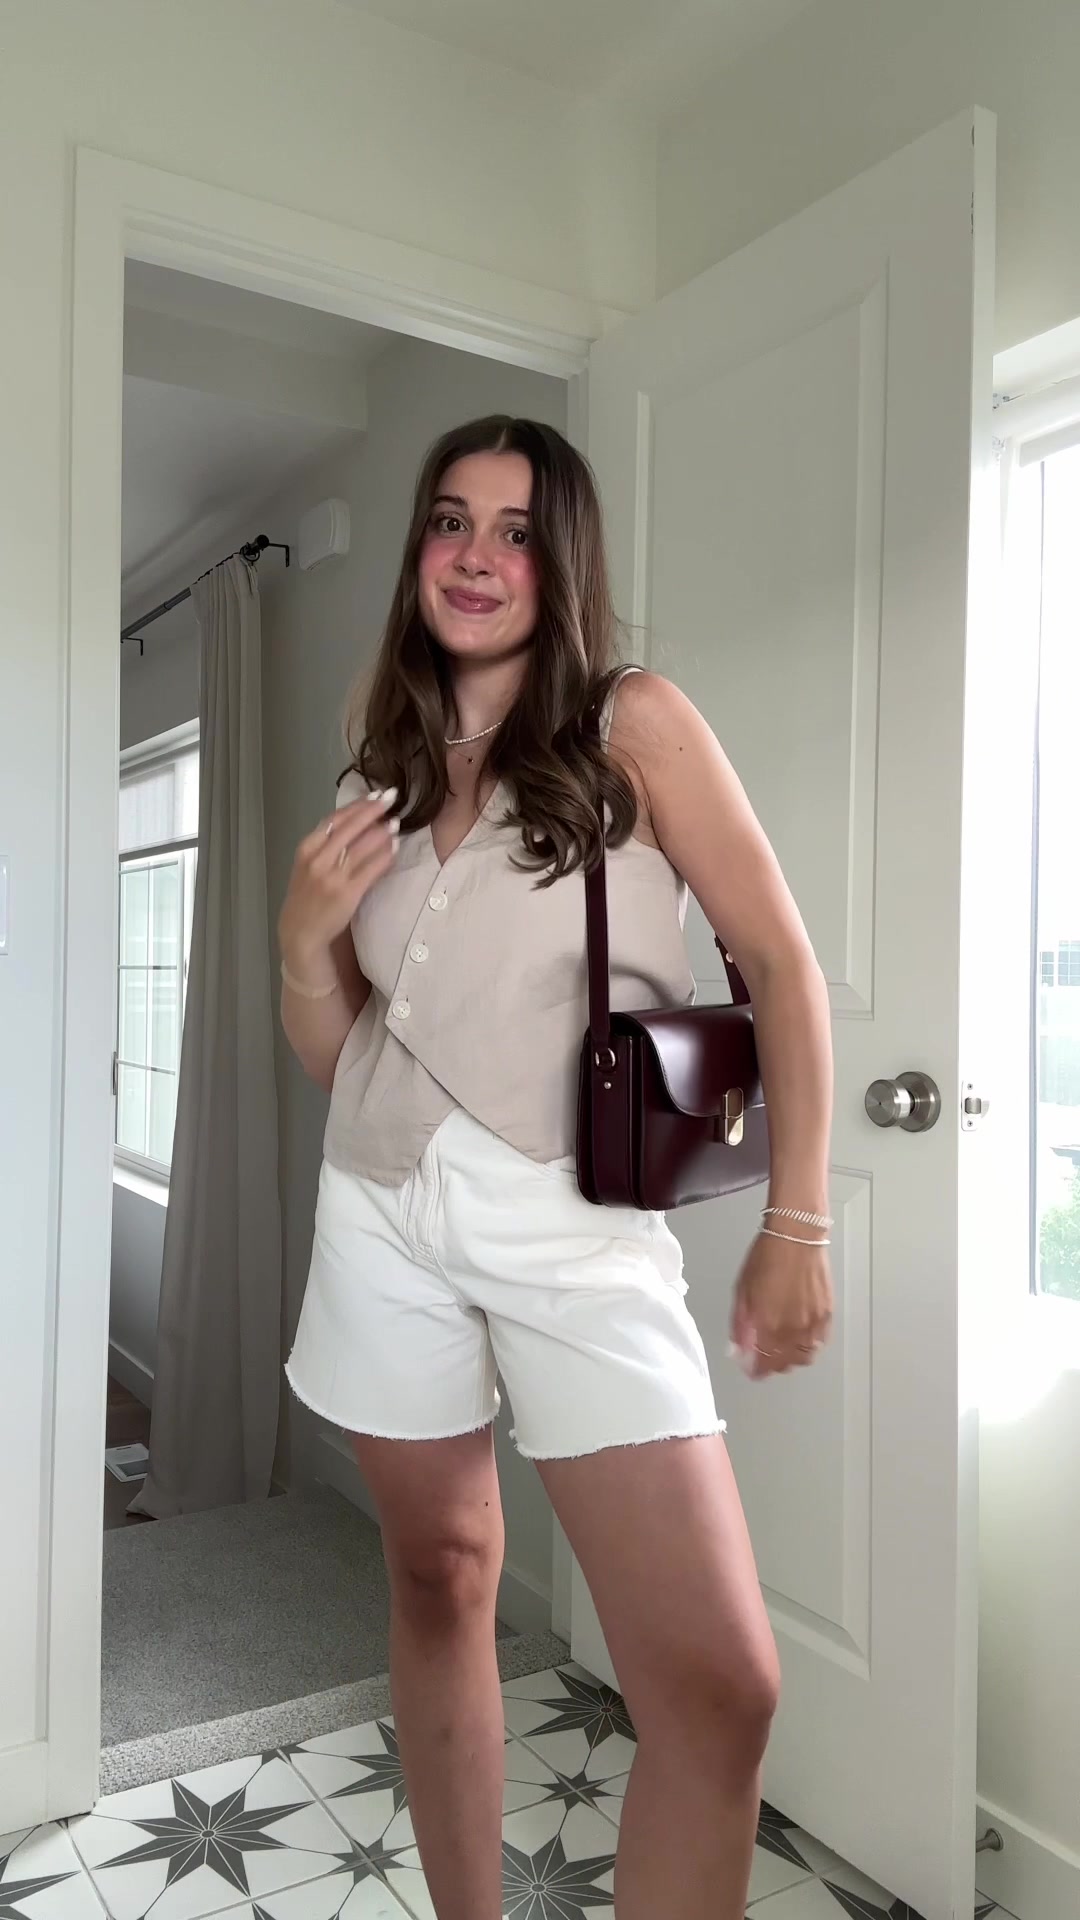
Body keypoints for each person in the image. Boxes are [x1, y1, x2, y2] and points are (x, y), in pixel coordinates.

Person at [278, 415, 833, 1920]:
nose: (476, 556)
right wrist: (300, 942)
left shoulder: (630, 721)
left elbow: (781, 961)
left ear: (563, 558)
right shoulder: (385, 765)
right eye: (451, 521)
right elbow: (346, 1056)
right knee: (440, 1574)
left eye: (517, 531)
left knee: (719, 1689)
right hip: (379, 1206)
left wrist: (799, 1220)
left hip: (573, 1221)